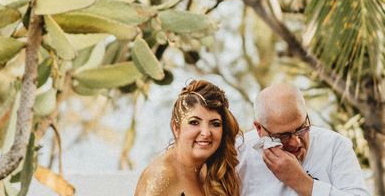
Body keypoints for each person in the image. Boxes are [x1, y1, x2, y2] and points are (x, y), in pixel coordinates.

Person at [237, 83, 369, 196]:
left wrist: (301, 181)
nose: (296, 142)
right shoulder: (239, 153)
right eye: (283, 136)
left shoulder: (335, 146)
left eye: (301, 128)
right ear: (259, 129)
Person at [134, 80, 242, 196]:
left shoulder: (209, 171)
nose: (206, 133)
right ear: (176, 128)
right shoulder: (161, 176)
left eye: (215, 124)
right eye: (194, 122)